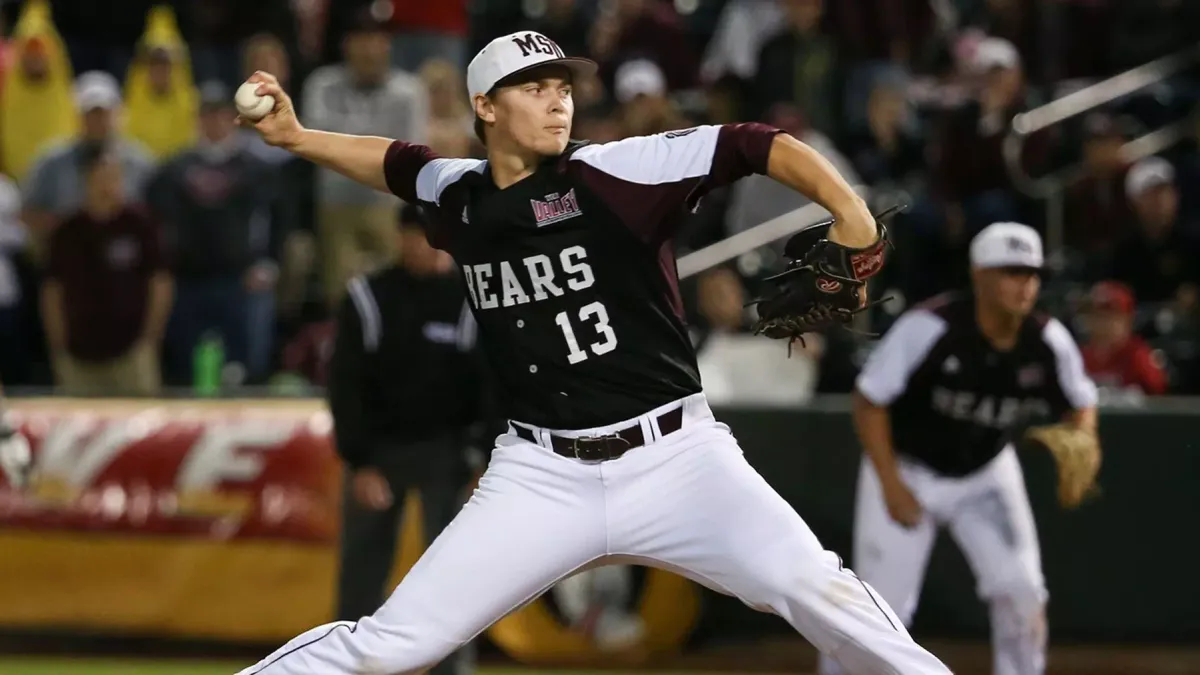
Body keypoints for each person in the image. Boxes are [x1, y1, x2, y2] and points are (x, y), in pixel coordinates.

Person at [234, 31, 952, 675]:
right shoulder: (457, 194)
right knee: (393, 645)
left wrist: (850, 210)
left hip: (678, 458)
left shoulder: (616, 172)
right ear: (485, 106)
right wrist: (297, 137)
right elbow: (396, 164)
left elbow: (753, 142)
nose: (558, 102)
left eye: (564, 87)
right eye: (535, 88)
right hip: (540, 473)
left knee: (812, 588)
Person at [817, 222, 1099, 675]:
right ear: (979, 276)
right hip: (908, 466)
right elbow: (869, 401)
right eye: (1010, 272)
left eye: (1032, 274)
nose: (1025, 285)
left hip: (986, 471)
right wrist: (890, 483)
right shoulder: (930, 327)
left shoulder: (1047, 340)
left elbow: (1081, 403)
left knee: (1022, 591)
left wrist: (1087, 439)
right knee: (880, 609)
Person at [327, 203, 485, 675]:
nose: (428, 246)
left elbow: (495, 384)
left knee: (451, 578)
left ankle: (451, 669)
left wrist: (484, 460)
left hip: (451, 451)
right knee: (362, 574)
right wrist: (360, 461)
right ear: (402, 238)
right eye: (419, 235)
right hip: (382, 450)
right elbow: (345, 385)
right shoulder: (368, 297)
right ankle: (348, 666)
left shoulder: (474, 297)